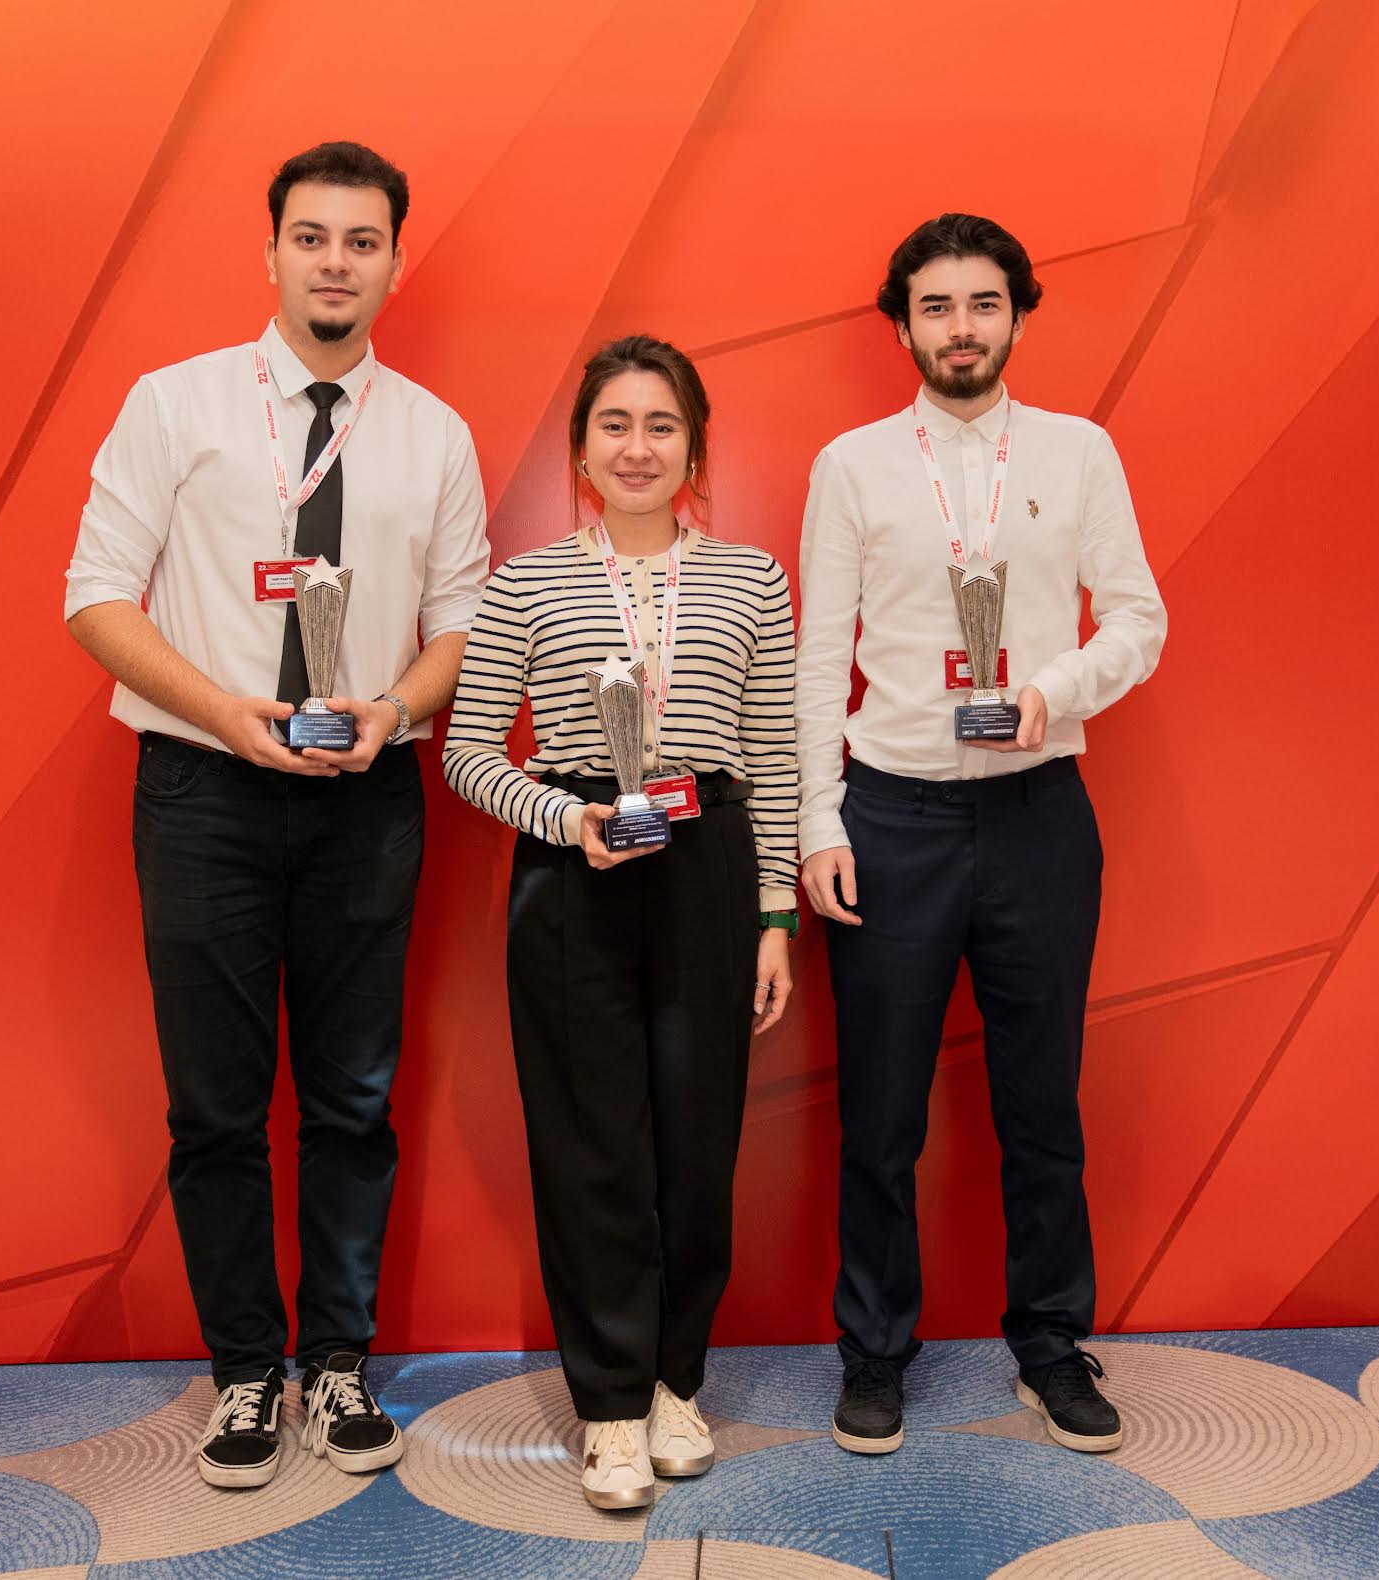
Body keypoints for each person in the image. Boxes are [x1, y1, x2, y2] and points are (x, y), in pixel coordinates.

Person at [62, 141, 490, 1490]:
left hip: (366, 796)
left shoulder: (431, 432)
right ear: (271, 254)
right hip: (205, 791)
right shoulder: (174, 404)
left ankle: (339, 1362)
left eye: (361, 241)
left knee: (354, 1098)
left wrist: (393, 708)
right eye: (311, 237)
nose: (334, 263)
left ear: (394, 263)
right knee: (215, 1105)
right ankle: (247, 1370)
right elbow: (94, 596)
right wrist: (224, 710)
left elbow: (463, 624)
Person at [795, 214, 1167, 1458]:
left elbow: (1139, 617)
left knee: (1042, 1103)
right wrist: (817, 818)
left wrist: (1057, 688)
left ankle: (1051, 1345)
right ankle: (874, 1350)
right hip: (891, 815)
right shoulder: (852, 464)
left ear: (1018, 313)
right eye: (938, 306)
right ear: (903, 324)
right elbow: (818, 655)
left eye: (984, 303)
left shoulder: (1080, 451)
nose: (962, 328)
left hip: (1037, 814)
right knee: (881, 1113)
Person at [443, 335, 799, 1510]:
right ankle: (608, 1404)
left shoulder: (751, 578)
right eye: (614, 424)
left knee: (698, 1144)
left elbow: (774, 756)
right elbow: (466, 752)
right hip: (577, 868)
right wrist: (564, 817)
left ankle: (676, 1384)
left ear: (695, 446)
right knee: (592, 1144)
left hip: (708, 861)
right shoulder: (525, 583)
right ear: (580, 449)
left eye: (661, 424)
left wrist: (774, 915)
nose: (637, 447)